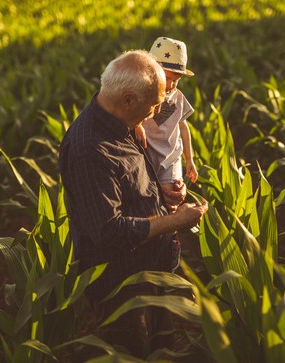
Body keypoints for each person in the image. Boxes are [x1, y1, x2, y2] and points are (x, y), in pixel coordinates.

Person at [58, 49, 208, 358]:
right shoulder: (90, 149)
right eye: (153, 105)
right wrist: (175, 221)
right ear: (127, 99)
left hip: (152, 268)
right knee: (133, 353)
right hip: (123, 287)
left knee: (161, 349)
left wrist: (162, 195)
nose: (155, 115)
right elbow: (108, 231)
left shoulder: (121, 120)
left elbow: (132, 183)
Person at [135, 37, 198, 206]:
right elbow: (130, 116)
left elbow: (183, 127)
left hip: (170, 156)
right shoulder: (143, 93)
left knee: (172, 195)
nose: (170, 85)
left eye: (175, 80)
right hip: (146, 153)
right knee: (149, 197)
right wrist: (137, 125)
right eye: (165, 78)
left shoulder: (178, 98)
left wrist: (189, 159)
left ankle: (172, 228)